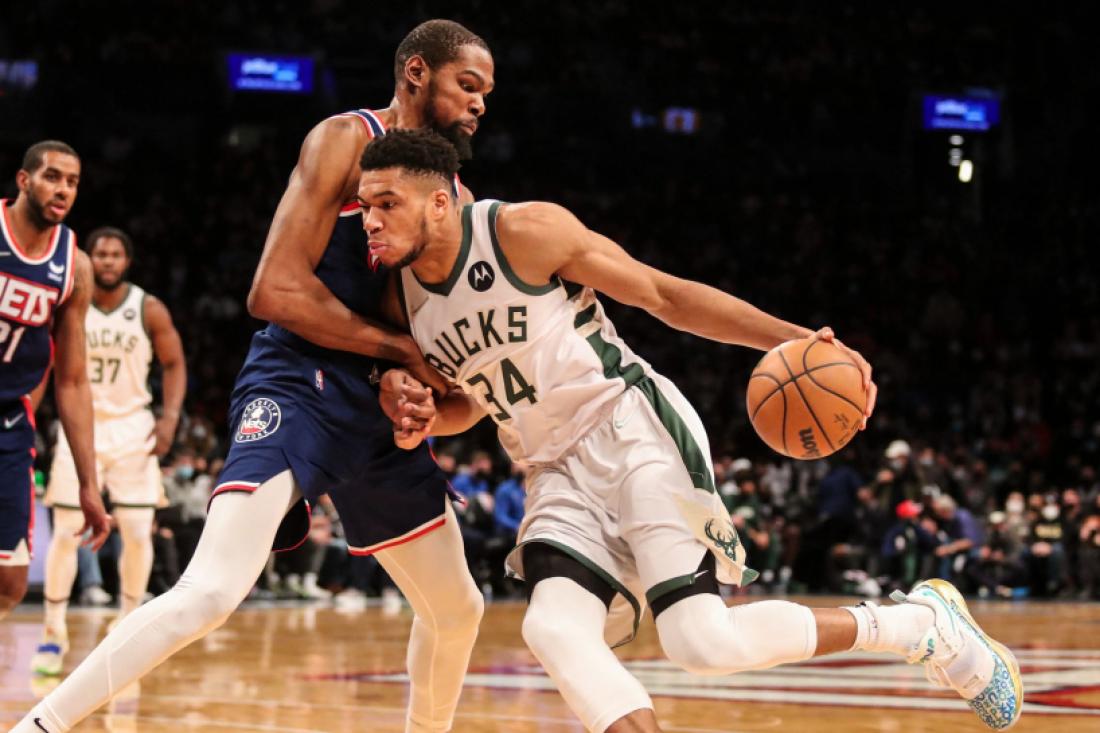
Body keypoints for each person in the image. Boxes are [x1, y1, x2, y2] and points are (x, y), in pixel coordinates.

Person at [363, 129, 1022, 732]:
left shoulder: (522, 232)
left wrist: (799, 342)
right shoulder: (402, 301)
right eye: (366, 205)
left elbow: (665, 295)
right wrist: (428, 418)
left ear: (441, 202)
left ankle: (917, 625)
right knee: (553, 629)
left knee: (700, 640)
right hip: (551, 471)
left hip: (631, 430)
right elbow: (470, 402)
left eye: (387, 203)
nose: (370, 220)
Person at [12, 20, 493, 733]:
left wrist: (423, 384)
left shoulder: (459, 198)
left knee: (458, 609)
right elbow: (273, 291)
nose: (480, 103)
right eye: (468, 84)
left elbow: (435, 340)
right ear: (417, 72)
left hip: (374, 404)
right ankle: (38, 726)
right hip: (298, 379)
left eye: (486, 93)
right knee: (211, 590)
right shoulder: (346, 139)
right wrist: (396, 352)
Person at [31, 226, 186, 676]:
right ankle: (53, 633)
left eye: (116, 254)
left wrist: (169, 418)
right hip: (81, 426)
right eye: (100, 254)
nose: (107, 261)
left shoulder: (147, 307)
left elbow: (175, 363)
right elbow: (44, 362)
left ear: (127, 261)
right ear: (88, 259)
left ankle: (126, 626)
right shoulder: (68, 304)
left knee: (137, 531)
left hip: (133, 427)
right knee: (66, 531)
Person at [0, 141, 110, 622]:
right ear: (24, 181)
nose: (63, 189)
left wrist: (89, 484)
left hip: (9, 423)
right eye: (52, 177)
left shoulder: (74, 266)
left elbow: (72, 381)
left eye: (72, 182)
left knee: (10, 583)